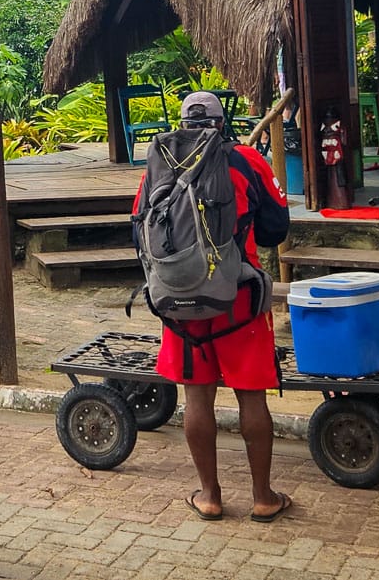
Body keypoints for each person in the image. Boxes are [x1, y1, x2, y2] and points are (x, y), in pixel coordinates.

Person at [134, 91, 292, 522]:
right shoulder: (246, 160)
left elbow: (139, 230)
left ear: (182, 124)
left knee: (197, 396)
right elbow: (276, 229)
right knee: (251, 396)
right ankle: (263, 497)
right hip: (239, 298)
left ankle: (209, 495)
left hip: (179, 301)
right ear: (222, 124)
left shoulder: (161, 162)